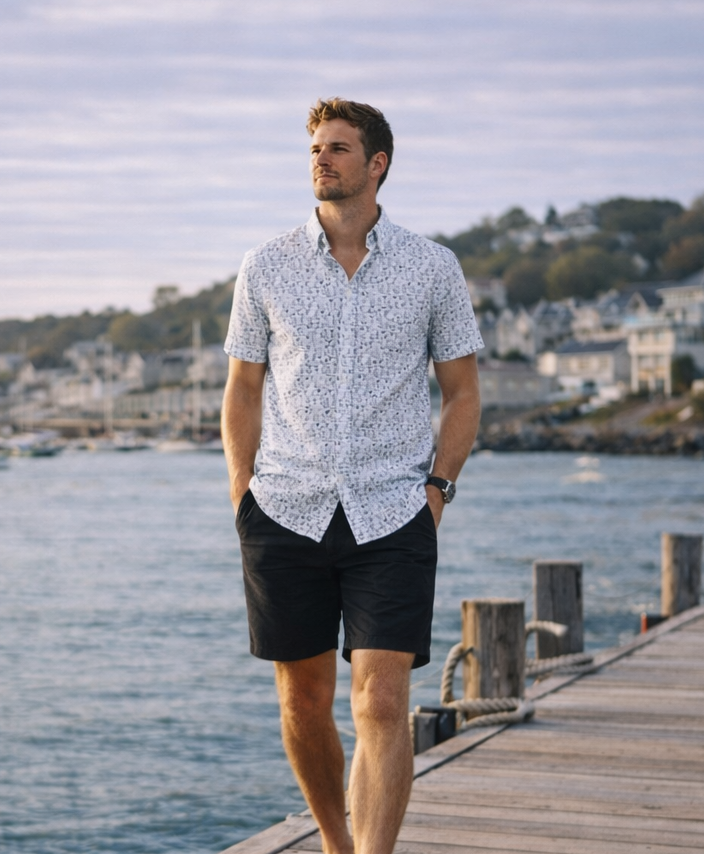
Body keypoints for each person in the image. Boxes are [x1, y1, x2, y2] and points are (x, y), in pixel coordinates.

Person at [221, 98, 482, 854]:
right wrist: (242, 493)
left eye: (338, 148)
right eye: (314, 149)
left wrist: (436, 491)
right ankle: (337, 842)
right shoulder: (264, 265)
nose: (321, 160)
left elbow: (462, 392)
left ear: (378, 164)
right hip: (285, 509)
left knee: (382, 699)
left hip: (394, 512)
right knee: (303, 701)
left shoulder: (433, 267)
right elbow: (242, 386)